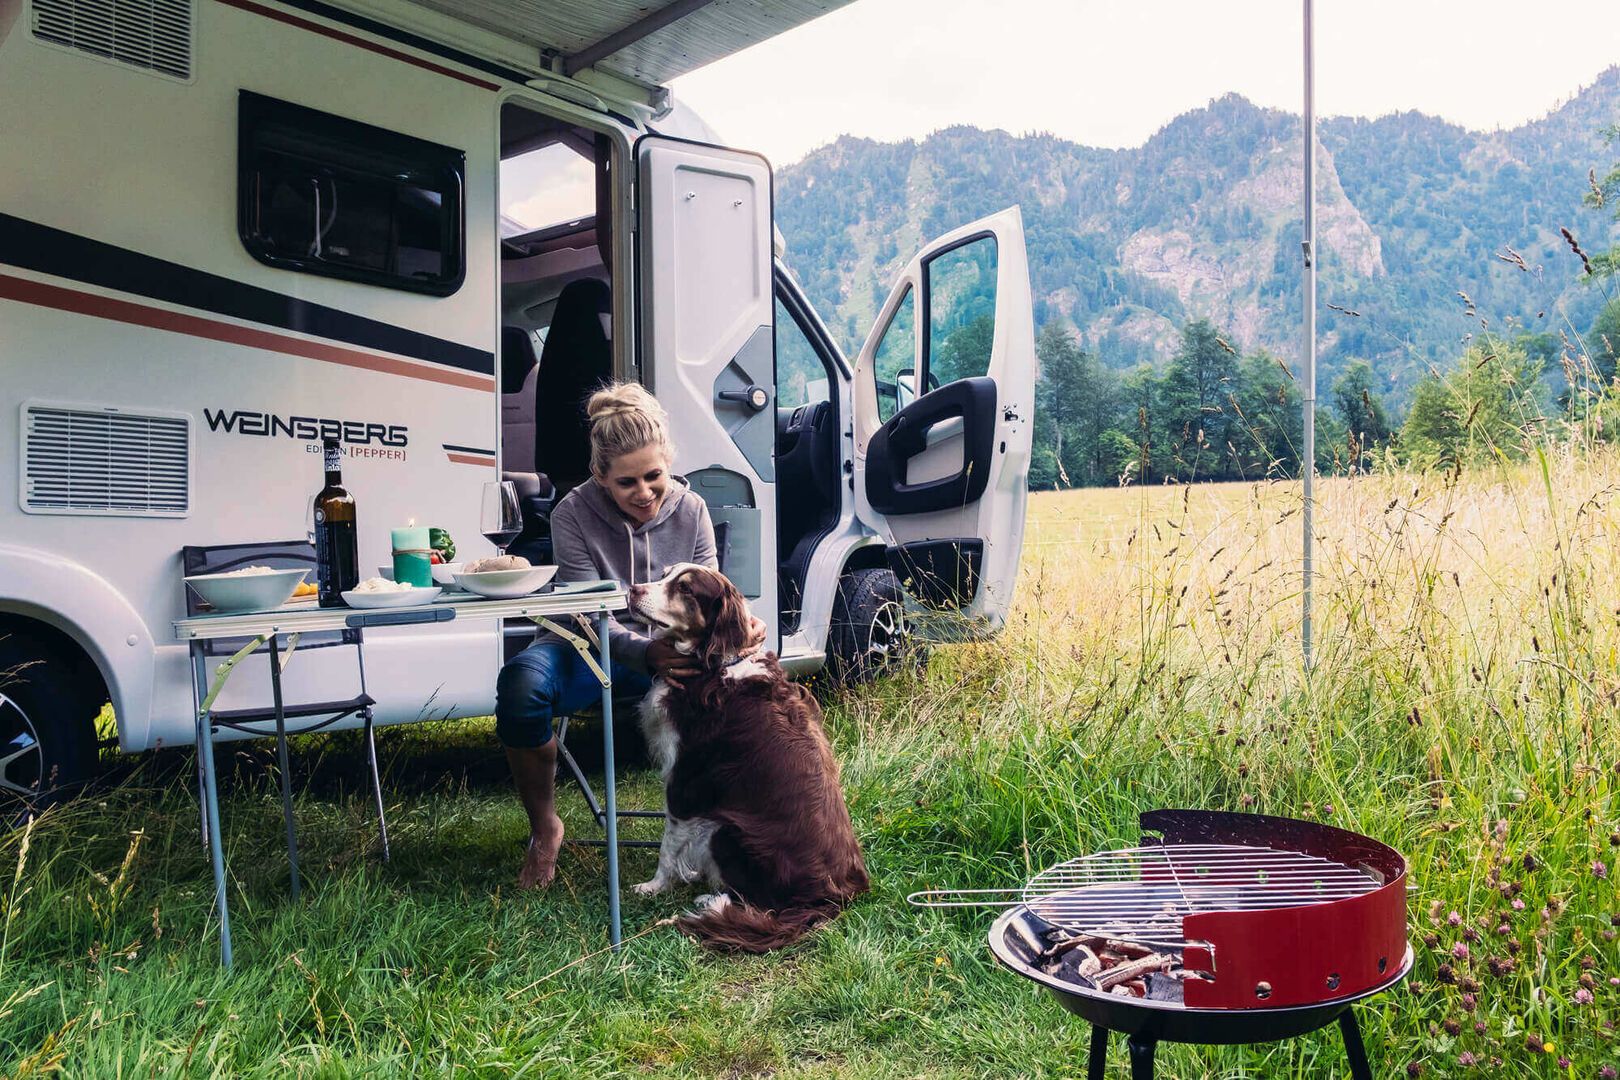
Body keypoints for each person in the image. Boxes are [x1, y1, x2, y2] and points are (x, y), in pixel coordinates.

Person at [496, 381, 764, 888]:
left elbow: (709, 600)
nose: (643, 493)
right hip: (582, 644)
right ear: (600, 476)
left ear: (668, 464)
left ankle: (736, 827)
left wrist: (743, 627)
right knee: (520, 688)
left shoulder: (693, 511)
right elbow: (587, 615)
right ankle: (545, 828)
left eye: (653, 477)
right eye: (626, 483)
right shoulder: (571, 515)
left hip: (671, 653)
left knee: (732, 696)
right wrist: (646, 655)